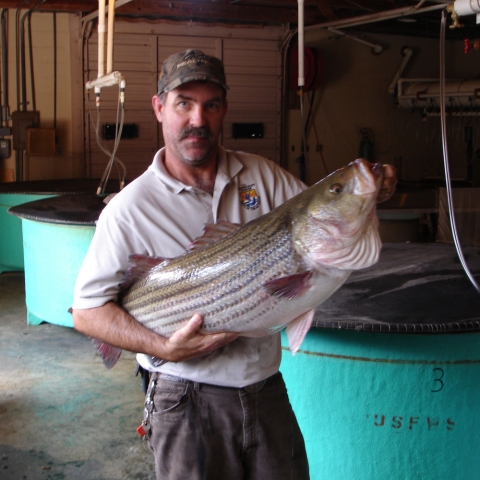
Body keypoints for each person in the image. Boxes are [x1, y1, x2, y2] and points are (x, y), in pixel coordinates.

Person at [72, 49, 397, 480]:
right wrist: (161, 348)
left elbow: (319, 212)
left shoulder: (264, 176)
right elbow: (87, 311)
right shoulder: (129, 209)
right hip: (183, 398)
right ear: (159, 108)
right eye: (183, 103)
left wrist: (371, 192)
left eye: (210, 105)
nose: (197, 119)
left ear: (224, 109)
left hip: (264, 388)